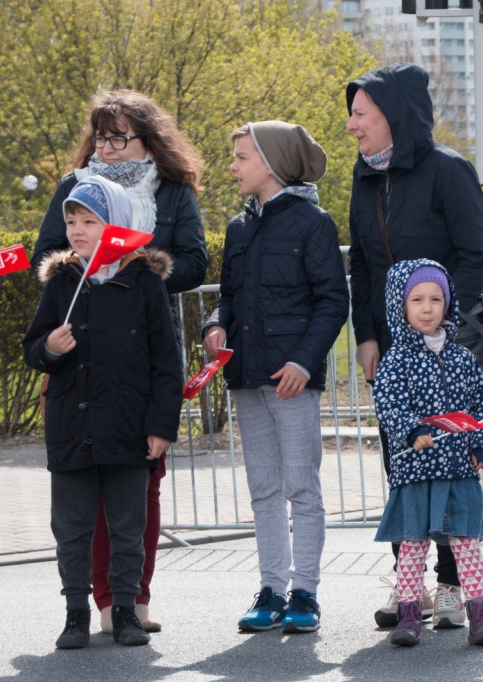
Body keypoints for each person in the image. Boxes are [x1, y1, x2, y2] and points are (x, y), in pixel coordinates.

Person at [31, 89, 207, 635]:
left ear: (146, 139)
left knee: (136, 490)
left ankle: (133, 599)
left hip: (137, 344)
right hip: (81, 354)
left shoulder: (173, 191)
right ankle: (97, 603)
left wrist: (134, 278)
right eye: (100, 137)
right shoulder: (73, 190)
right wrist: (93, 276)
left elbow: (197, 260)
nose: (106, 147)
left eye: (118, 137)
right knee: (83, 495)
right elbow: (47, 253)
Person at [345, 62, 483, 629]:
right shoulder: (363, 176)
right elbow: (361, 265)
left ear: (392, 115)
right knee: (403, 465)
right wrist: (366, 335)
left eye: (361, 114)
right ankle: (410, 588)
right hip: (393, 354)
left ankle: (453, 584)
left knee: (451, 467)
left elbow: (475, 257)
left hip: (446, 353)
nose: (353, 126)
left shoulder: (448, 171)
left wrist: (441, 332)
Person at [22, 176, 183, 649]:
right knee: (72, 527)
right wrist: (49, 348)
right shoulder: (61, 283)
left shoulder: (144, 284)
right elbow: (33, 347)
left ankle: (127, 611)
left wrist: (160, 427)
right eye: (71, 221)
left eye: (89, 221)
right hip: (73, 428)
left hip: (128, 431)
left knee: (127, 526)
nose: (77, 230)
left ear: (114, 224)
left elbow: (166, 364)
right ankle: (75, 613)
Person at [202, 120, 348, 634]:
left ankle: (305, 592)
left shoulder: (314, 223)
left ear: (271, 161)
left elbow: (334, 301)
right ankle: (271, 589)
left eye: (241, 156)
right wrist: (215, 324)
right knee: (263, 488)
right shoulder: (239, 228)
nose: (233, 166)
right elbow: (228, 296)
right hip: (245, 377)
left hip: (291, 381)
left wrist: (304, 363)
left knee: (301, 488)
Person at [372, 258, 483, 647]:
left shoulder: (462, 357)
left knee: (465, 542)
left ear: (448, 304)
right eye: (417, 300)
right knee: (412, 544)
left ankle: (479, 614)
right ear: (401, 305)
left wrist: (482, 442)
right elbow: (388, 402)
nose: (427, 308)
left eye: (435, 299)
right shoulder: (396, 359)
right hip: (414, 471)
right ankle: (409, 614)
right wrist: (412, 430)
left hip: (459, 468)